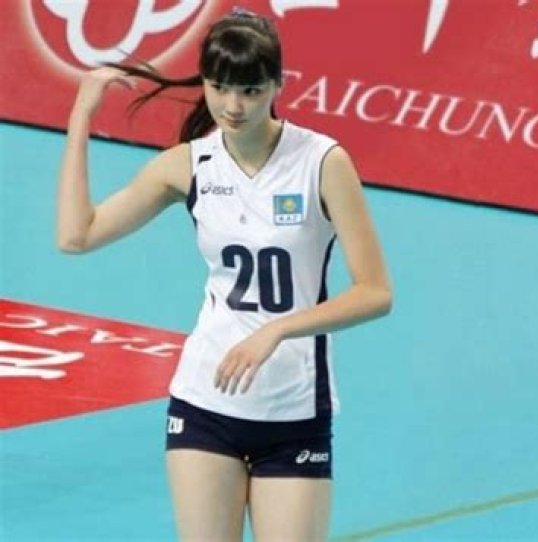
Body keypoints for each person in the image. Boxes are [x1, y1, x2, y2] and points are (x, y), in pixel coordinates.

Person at [56, 8, 392, 542]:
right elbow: (77, 235)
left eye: (251, 91)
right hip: (205, 403)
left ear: (278, 85)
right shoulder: (188, 165)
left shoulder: (322, 163)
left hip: (293, 409)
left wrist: (277, 329)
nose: (233, 106)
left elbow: (375, 292)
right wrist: (81, 116)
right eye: (220, 88)